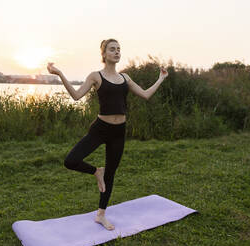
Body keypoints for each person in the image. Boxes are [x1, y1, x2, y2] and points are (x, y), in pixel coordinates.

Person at [47, 38, 168, 231]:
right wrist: (60, 73)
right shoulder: (96, 76)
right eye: (112, 49)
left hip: (119, 132)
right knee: (71, 160)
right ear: (104, 54)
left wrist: (161, 79)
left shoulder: (125, 78)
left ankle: (101, 215)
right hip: (100, 129)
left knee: (111, 173)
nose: (117, 52)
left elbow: (145, 95)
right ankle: (97, 171)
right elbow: (77, 96)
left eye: (119, 49)